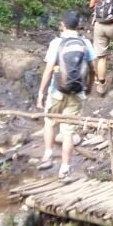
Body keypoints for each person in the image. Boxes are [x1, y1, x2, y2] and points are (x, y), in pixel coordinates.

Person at [36, 10, 95, 180]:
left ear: (62, 25)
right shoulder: (85, 43)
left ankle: (47, 155)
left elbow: (48, 71)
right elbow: (92, 69)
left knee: (49, 122)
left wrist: (41, 93)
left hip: (57, 91)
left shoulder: (57, 43)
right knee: (68, 132)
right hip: (77, 92)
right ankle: (65, 168)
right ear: (78, 25)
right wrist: (89, 87)